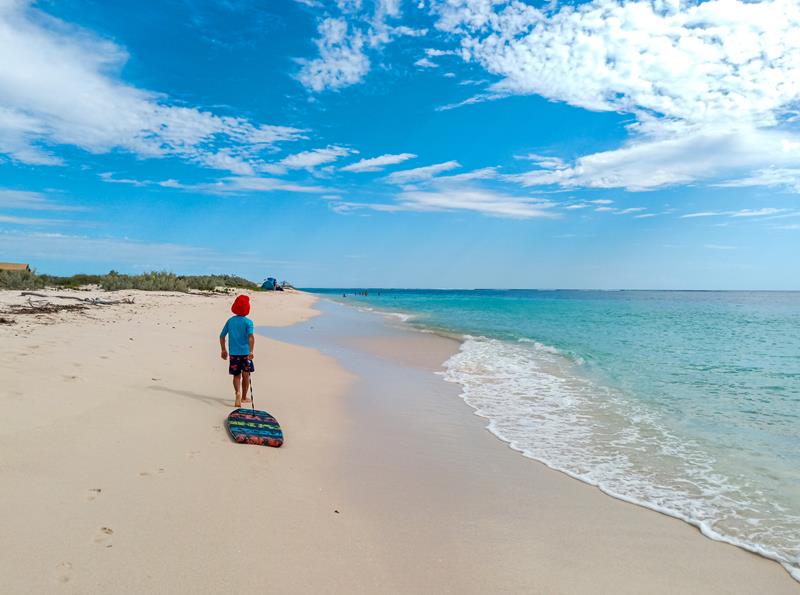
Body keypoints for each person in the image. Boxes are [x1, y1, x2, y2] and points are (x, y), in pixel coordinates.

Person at [219, 295, 254, 408]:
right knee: (246, 375)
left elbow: (222, 336)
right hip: (245, 353)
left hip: (234, 354)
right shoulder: (248, 322)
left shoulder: (230, 321)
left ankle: (237, 393)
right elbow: (250, 337)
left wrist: (223, 350)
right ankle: (244, 397)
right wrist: (251, 351)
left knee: (236, 375)